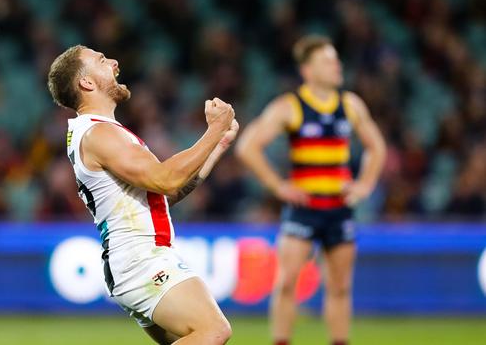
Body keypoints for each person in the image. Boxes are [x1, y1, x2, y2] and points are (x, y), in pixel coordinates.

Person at [47, 45, 238, 344]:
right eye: (101, 60)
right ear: (87, 83)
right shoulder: (100, 134)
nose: (115, 62)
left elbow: (167, 192)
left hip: (132, 262)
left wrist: (219, 144)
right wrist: (214, 129)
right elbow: (165, 179)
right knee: (213, 330)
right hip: (141, 260)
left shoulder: (99, 132)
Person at [236, 35, 386, 345]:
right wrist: (278, 186)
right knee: (287, 283)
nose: (336, 66)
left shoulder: (350, 104)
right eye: (327, 61)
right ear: (307, 70)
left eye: (336, 60)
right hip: (304, 208)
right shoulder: (290, 106)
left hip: (339, 207)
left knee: (340, 287)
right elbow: (248, 146)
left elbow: (377, 147)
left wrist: (365, 185)